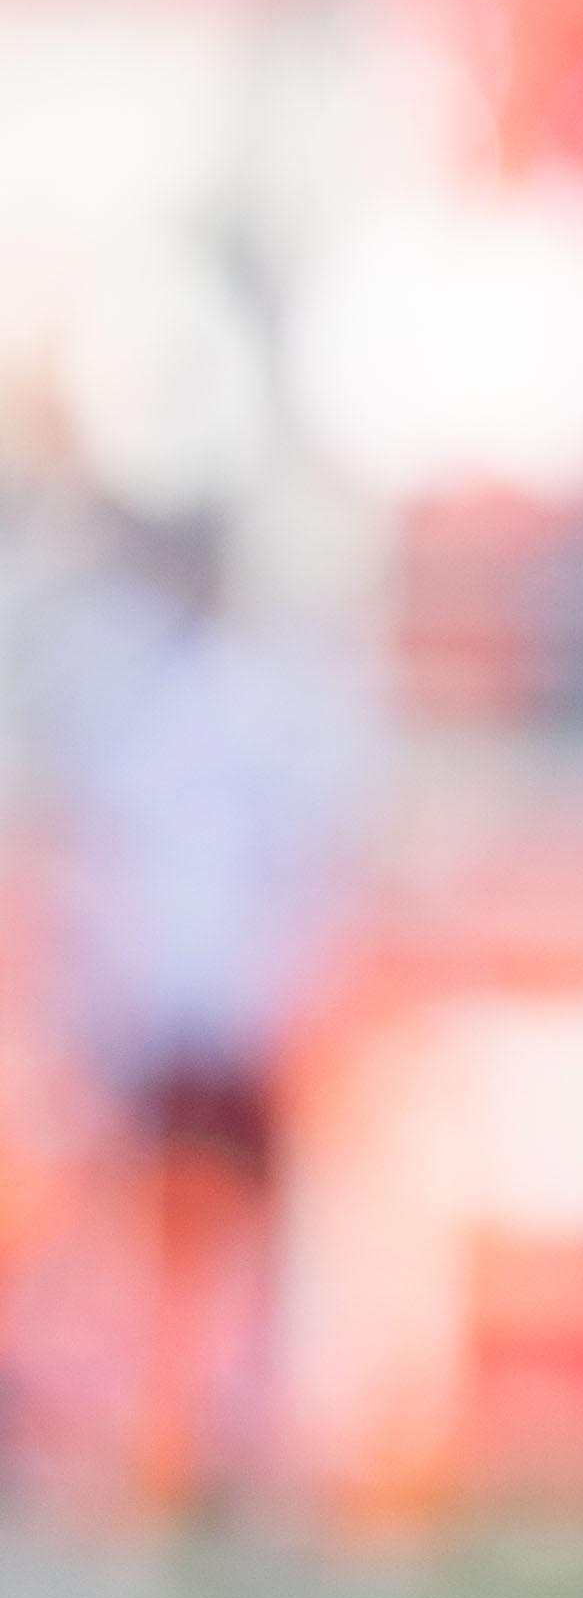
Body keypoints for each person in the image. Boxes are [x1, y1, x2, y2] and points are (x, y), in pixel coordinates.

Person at [19, 509, 372, 1535]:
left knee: (251, 1259)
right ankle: (113, 1481)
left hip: (235, 1014)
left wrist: (288, 997)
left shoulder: (265, 701)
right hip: (152, 1014)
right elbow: (95, 862)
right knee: (127, 1258)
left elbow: (309, 864)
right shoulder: (128, 692)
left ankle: (257, 1478)